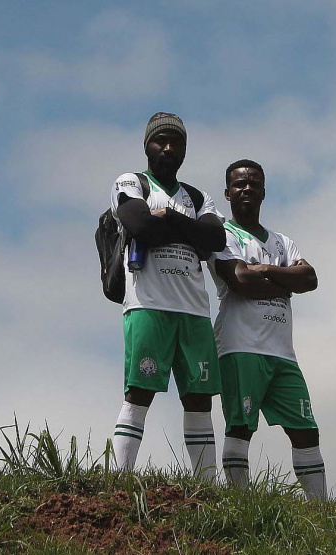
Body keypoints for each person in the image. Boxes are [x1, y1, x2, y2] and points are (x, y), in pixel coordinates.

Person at [109, 112, 226, 480]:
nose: (169, 148)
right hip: (148, 305)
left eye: (177, 142)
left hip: (193, 310)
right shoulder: (131, 181)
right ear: (147, 144)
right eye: (161, 140)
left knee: (199, 400)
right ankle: (119, 478)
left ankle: (207, 486)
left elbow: (216, 240)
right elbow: (140, 224)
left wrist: (171, 220)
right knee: (139, 392)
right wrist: (188, 230)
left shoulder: (197, 195)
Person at [208, 159, 326, 499]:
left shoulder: (282, 241)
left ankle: (321, 508)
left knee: (306, 430)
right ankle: (241, 502)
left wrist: (264, 271)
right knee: (241, 427)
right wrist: (283, 278)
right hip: (239, 346)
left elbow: (310, 278)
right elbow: (242, 280)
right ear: (227, 192)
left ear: (263, 191)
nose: (247, 188)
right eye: (240, 183)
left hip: (282, 354)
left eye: (254, 183)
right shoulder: (223, 235)